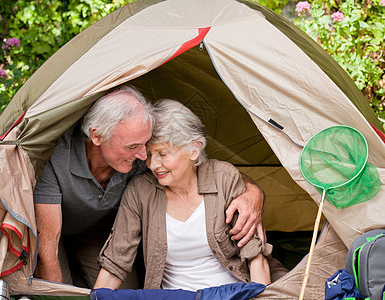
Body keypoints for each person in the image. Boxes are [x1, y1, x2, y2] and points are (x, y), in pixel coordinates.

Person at [33, 86, 265, 288]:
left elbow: (211, 173)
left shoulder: (141, 161)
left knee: (122, 294)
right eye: (135, 147)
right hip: (54, 232)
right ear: (97, 137)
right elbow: (51, 250)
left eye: (150, 148)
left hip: (100, 233)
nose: (145, 158)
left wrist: (253, 194)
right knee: (60, 287)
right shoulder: (57, 159)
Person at [94, 99, 285, 291]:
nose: (153, 165)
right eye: (150, 155)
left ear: (193, 150)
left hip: (232, 294)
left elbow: (255, 256)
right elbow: (115, 261)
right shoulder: (140, 191)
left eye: (162, 153)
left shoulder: (224, 178)